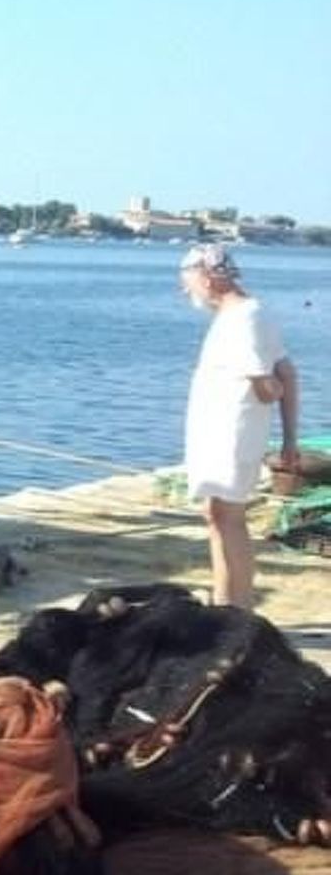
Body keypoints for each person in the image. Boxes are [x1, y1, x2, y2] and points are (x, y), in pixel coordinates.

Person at [179, 241, 299, 609]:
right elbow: (285, 371)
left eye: (188, 281)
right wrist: (289, 437)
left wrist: (288, 436)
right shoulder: (242, 314)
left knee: (228, 516)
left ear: (208, 278)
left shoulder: (245, 318)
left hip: (232, 433)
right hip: (218, 431)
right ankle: (225, 601)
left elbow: (272, 384)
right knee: (215, 513)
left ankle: (237, 607)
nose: (185, 290)